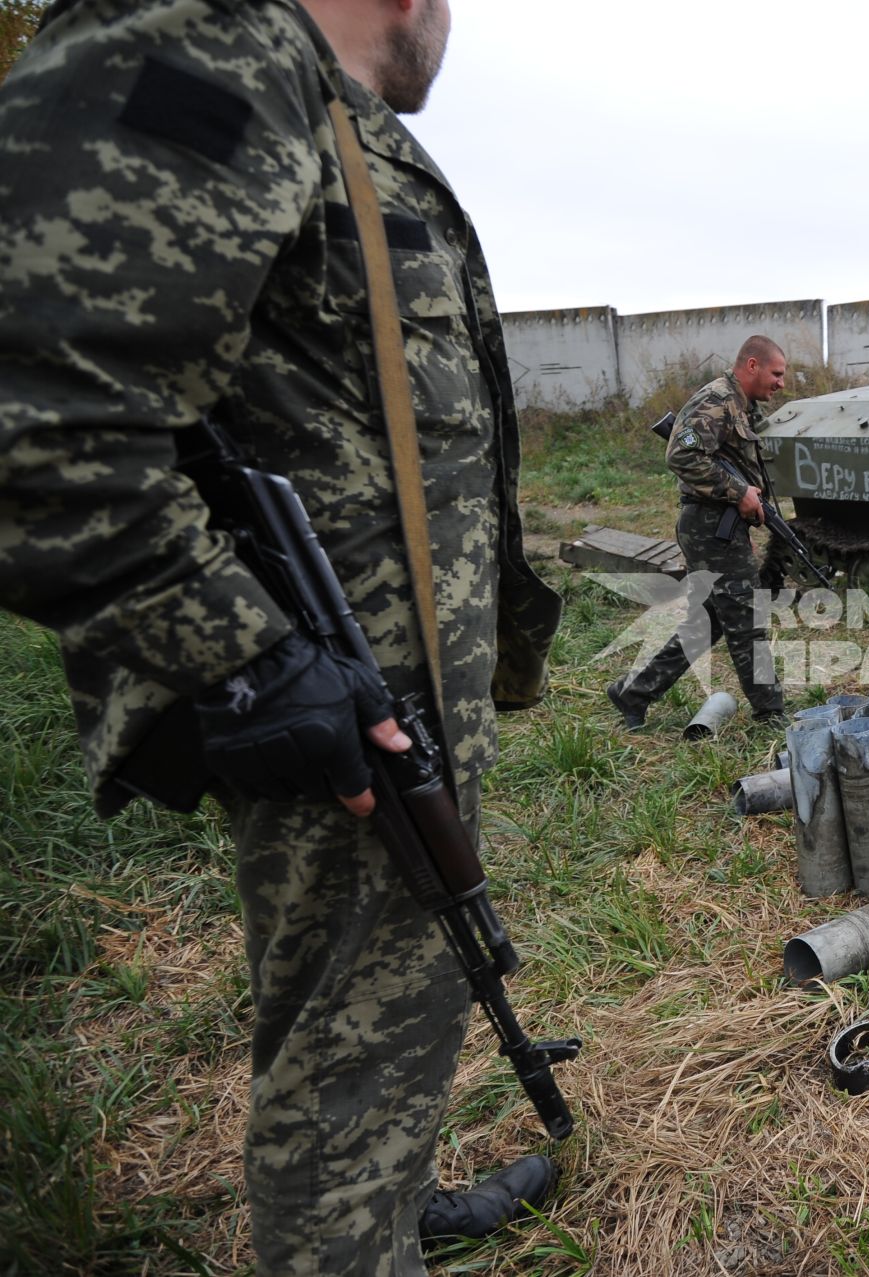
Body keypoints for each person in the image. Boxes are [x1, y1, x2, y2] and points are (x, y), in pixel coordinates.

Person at [0, 0, 564, 1270]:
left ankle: (379, 1200)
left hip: (377, 696)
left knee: (365, 1014)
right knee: (351, 1049)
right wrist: (255, 659)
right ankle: (346, 1231)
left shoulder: (322, 109)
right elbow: (37, 415)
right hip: (336, 711)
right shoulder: (214, 46)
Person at [608, 337, 790, 730]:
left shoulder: (741, 405)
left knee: (710, 622)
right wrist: (739, 492)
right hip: (710, 528)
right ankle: (771, 711)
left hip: (720, 527)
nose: (781, 383)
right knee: (747, 617)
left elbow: (727, 462)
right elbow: (680, 455)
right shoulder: (716, 400)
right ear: (753, 365)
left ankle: (633, 692)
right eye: (776, 374)